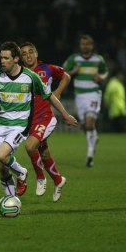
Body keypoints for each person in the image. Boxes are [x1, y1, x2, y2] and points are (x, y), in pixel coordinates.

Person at [0, 41, 77, 199]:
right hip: (1, 125)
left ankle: (23, 173)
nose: (2, 61)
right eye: (1, 58)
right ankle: (12, 199)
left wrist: (65, 114)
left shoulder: (30, 77)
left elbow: (51, 97)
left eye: (6, 58)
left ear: (15, 59)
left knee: (3, 155)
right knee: (2, 167)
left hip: (20, 125)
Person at [20, 41, 73, 201]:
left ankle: (40, 177)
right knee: (43, 153)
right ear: (21, 58)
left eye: (31, 51)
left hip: (46, 117)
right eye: (24, 53)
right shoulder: (20, 74)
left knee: (30, 146)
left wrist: (57, 91)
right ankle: (58, 180)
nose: (28, 55)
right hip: (29, 120)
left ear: (36, 54)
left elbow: (66, 76)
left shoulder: (47, 69)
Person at [63, 34, 108, 167]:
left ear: (92, 45)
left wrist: (100, 77)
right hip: (79, 96)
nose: (85, 46)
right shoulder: (74, 58)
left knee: (89, 124)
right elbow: (62, 72)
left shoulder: (98, 59)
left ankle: (90, 156)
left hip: (93, 94)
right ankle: (94, 138)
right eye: (83, 44)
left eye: (87, 44)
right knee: (85, 126)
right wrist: (73, 72)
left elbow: (105, 72)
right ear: (80, 45)